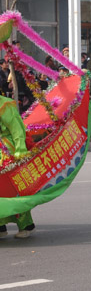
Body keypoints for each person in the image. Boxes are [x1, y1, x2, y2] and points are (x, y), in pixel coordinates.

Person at [0, 94, 36, 238]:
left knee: (13, 189)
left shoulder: (4, 105)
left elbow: (16, 128)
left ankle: (26, 225)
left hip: (8, 151)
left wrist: (20, 150)